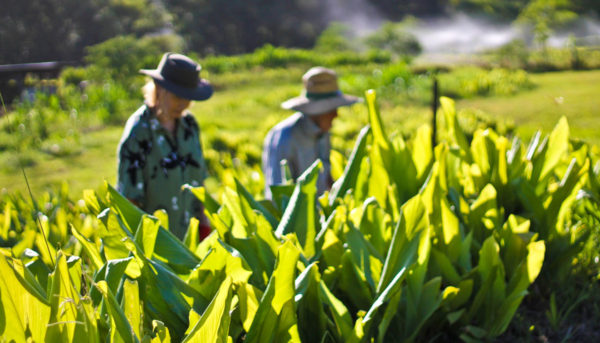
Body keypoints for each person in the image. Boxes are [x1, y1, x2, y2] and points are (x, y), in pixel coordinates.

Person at [117, 52, 212, 240]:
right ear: (159, 89)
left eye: (188, 97)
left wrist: (203, 225)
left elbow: (198, 183)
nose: (184, 104)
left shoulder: (190, 126)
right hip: (156, 245)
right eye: (178, 97)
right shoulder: (139, 133)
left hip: (188, 242)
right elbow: (129, 200)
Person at [262, 66, 360, 199]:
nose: (336, 115)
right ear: (319, 112)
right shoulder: (284, 137)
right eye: (332, 110)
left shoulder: (322, 133)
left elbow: (325, 176)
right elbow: (278, 193)